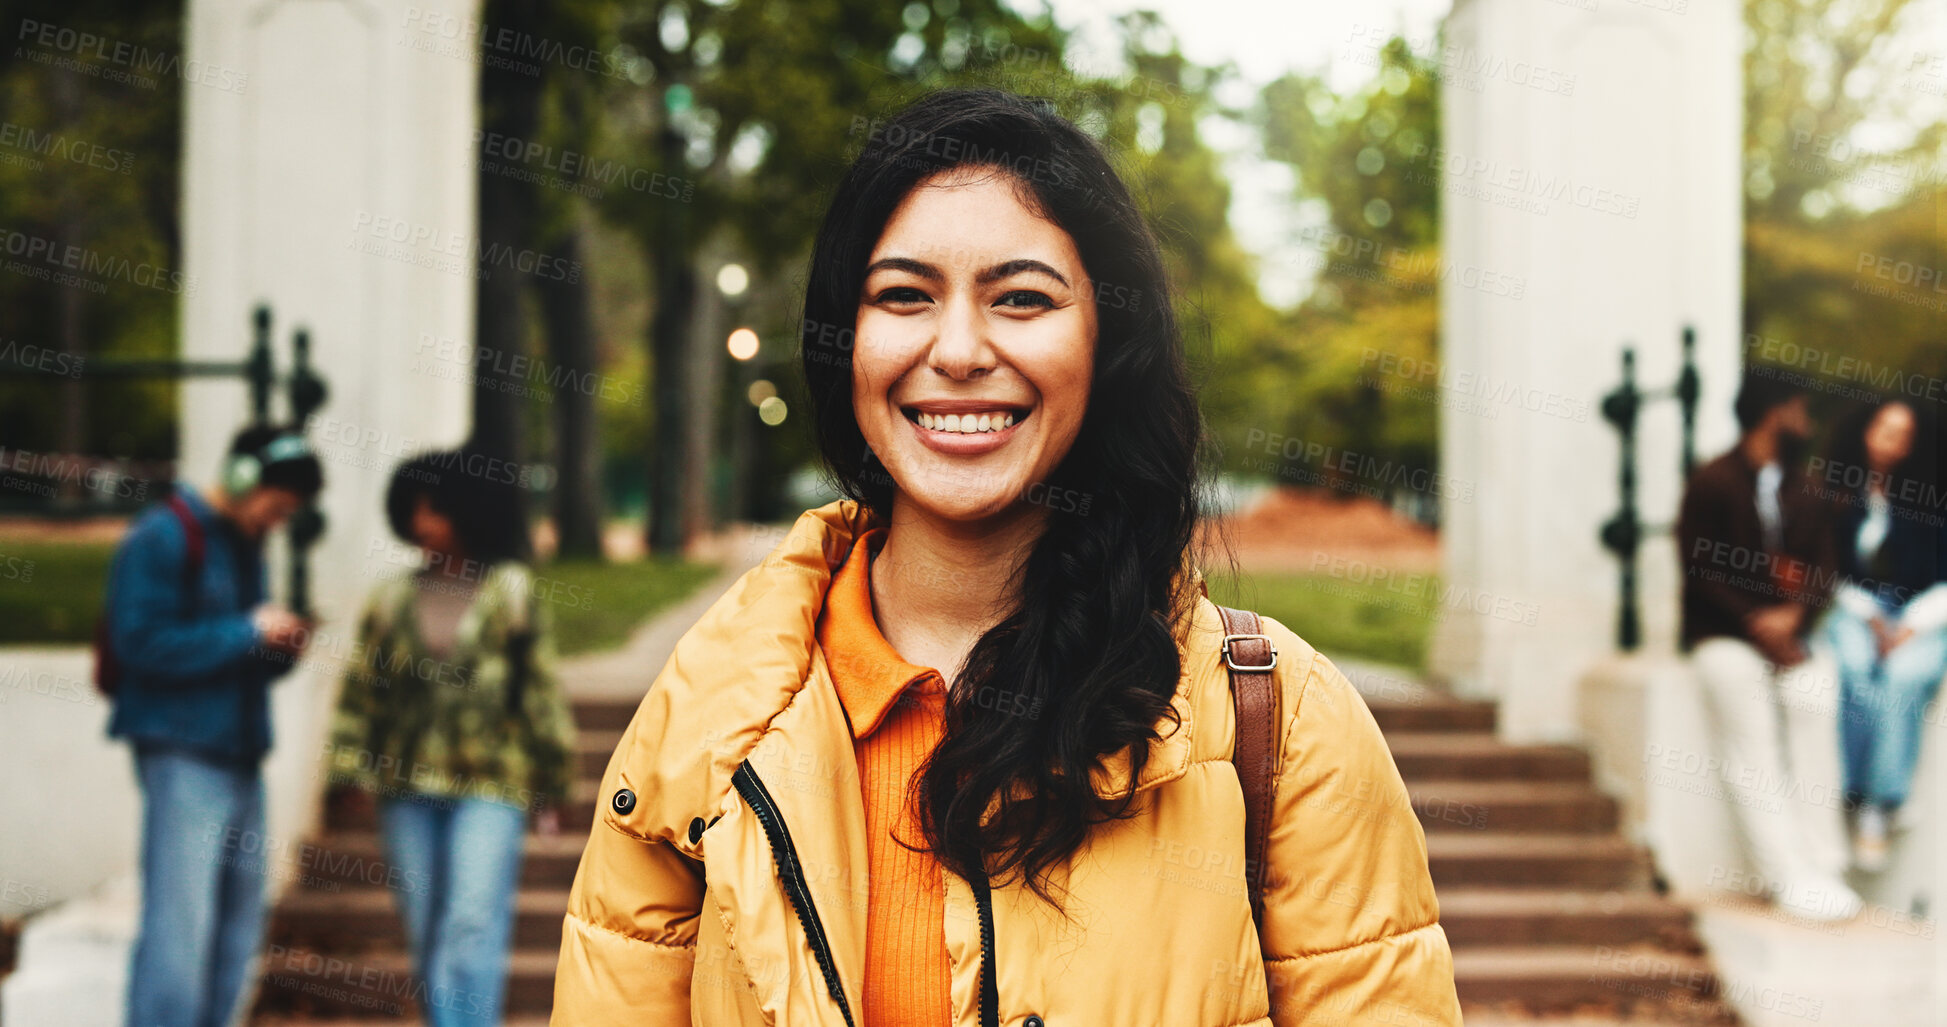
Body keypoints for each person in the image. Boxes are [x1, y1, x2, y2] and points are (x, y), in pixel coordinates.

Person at [553, 88, 1461, 1025]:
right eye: (903, 295)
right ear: (845, 341)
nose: (956, 349)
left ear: (1106, 342)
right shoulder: (705, 717)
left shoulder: (1285, 722)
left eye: (1021, 299)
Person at [325, 448, 576, 1027]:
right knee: (426, 926)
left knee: (471, 921)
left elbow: (539, 687)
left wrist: (555, 777)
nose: (421, 523)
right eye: (412, 509)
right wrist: (345, 769)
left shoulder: (511, 591)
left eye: (432, 508)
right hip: (404, 783)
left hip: (491, 781)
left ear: (466, 511)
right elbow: (362, 691)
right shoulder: (391, 599)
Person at [105, 425, 322, 1027]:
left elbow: (232, 651)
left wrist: (278, 647)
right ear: (242, 479)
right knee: (181, 926)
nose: (276, 522)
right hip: (182, 751)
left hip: (240, 751)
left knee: (237, 924)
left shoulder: (242, 542)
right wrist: (248, 631)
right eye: (275, 508)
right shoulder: (162, 537)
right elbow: (139, 643)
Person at [1676, 373, 1859, 921]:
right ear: (1774, 413)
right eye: (1799, 408)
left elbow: (1826, 567)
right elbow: (1699, 567)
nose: (1806, 421)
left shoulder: (1805, 488)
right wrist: (1757, 623)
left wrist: (1795, 617)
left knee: (1815, 696)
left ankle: (1823, 862)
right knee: (1748, 730)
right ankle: (1787, 875)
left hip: (1791, 638)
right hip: (1724, 636)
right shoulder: (1711, 481)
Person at [1815, 399, 1947, 872]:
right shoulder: (1836, 493)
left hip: (1922, 611)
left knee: (1904, 676)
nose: (1894, 440)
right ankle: (1853, 791)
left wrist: (1913, 623)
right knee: (1853, 668)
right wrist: (1870, 617)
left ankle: (1882, 802)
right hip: (1857, 607)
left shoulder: (1930, 498)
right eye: (1886, 428)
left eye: (1905, 432)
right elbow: (1826, 569)